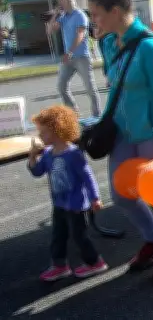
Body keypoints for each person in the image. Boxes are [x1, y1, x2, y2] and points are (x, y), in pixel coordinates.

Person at [87, 0, 153, 290]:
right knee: (121, 195)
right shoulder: (107, 42)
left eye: (96, 14)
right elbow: (115, 88)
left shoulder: (151, 47)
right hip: (123, 135)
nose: (92, 21)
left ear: (115, 10)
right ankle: (152, 240)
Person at [28, 105, 108, 282]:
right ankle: (59, 265)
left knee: (79, 236)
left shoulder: (74, 154)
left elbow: (88, 177)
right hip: (59, 204)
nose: (40, 137)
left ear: (57, 130)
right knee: (58, 235)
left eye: (43, 132)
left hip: (77, 205)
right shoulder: (48, 154)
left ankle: (95, 262)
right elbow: (37, 172)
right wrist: (33, 157)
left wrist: (95, 198)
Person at [47, 0, 101, 118]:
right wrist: (55, 14)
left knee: (89, 88)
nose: (59, 3)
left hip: (81, 57)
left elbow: (80, 35)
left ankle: (97, 115)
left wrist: (70, 52)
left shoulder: (80, 15)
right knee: (61, 86)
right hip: (68, 59)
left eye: (60, 0)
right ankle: (74, 113)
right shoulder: (63, 17)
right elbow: (50, 30)